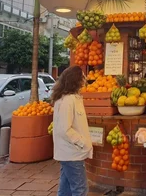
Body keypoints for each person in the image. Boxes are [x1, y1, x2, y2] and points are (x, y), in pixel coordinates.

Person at [51, 66, 93, 196]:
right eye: (83, 76)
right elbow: (65, 129)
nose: (85, 78)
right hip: (72, 153)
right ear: (76, 80)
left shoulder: (71, 98)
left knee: (66, 189)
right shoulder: (68, 101)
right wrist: (82, 143)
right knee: (80, 189)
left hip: (69, 152)